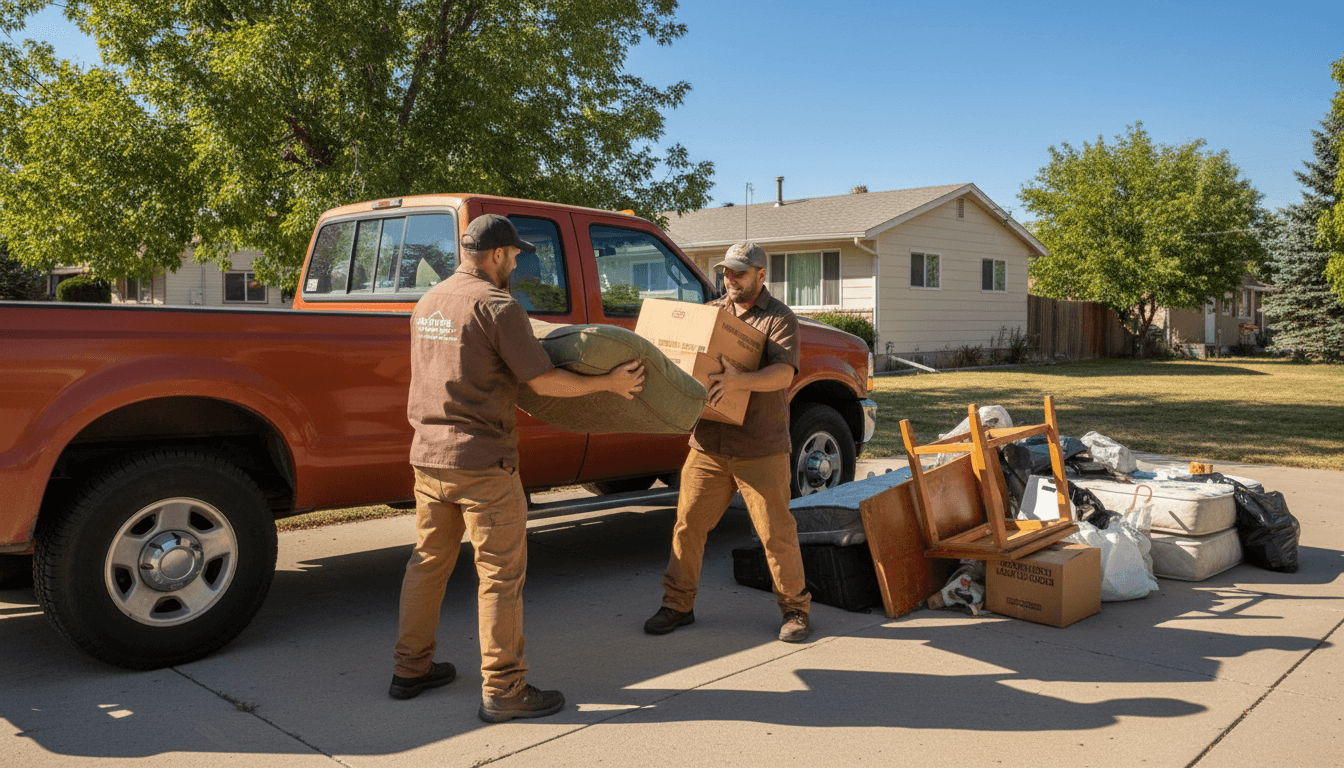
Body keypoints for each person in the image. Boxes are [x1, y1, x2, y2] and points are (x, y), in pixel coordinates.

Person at [391, 214, 646, 723]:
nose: (516, 263)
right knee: (500, 577)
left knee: (426, 566)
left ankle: (410, 668)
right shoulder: (498, 305)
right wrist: (610, 383)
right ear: (496, 254)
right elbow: (544, 382)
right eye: (514, 255)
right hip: (483, 462)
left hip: (428, 458)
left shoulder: (428, 302)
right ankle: (505, 689)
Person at [644, 241, 812, 643]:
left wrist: (738, 380)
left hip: (760, 445)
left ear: (760, 275)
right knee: (688, 525)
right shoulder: (713, 314)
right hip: (709, 443)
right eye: (726, 272)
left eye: (739, 272)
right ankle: (677, 604)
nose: (730, 278)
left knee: (775, 532)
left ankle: (795, 609)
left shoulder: (778, 319)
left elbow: (783, 375)